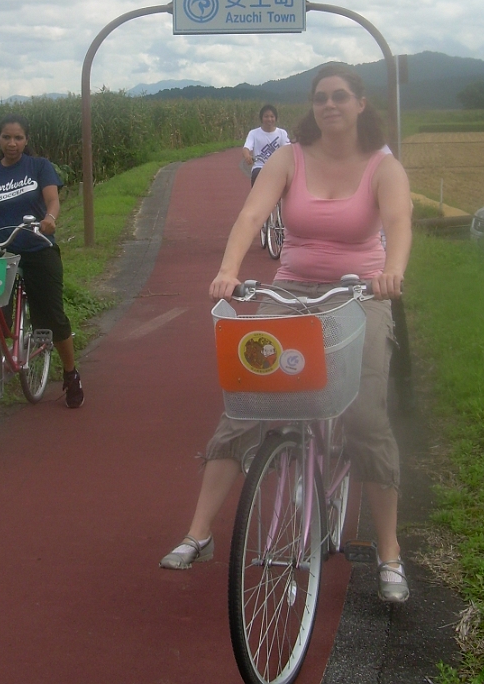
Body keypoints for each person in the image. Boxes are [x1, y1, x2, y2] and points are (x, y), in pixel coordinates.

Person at [160, 63, 412, 603]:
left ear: (360, 103)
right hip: (291, 291)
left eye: (340, 96)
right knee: (246, 402)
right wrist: (228, 270)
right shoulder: (290, 155)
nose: (330, 105)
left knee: (365, 417)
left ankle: (389, 553)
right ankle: (198, 531)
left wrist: (394, 272)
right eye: (321, 97)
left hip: (359, 294)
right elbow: (252, 213)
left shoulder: (382, 165)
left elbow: (399, 223)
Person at [0, 114, 84, 409]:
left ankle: (71, 374)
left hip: (38, 248)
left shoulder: (39, 167)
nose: (12, 143)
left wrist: (50, 219)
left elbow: (53, 200)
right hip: (3, 252)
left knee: (51, 317)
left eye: (18, 137)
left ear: (26, 140)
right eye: (7, 137)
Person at [242, 104, 290, 186]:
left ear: (275, 118)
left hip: (277, 167)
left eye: (272, 116)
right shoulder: (253, 133)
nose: (269, 119)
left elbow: (288, 149)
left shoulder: (282, 133)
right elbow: (246, 148)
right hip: (259, 167)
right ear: (261, 118)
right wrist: (247, 156)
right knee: (257, 177)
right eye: (266, 116)